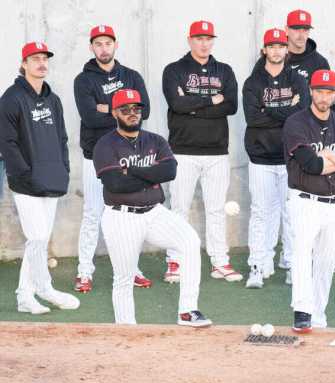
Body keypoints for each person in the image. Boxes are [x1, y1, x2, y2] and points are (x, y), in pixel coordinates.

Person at [93, 89, 210, 327]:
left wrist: (132, 170)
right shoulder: (105, 145)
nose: (132, 113)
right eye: (125, 109)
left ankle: (187, 311)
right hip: (121, 216)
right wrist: (150, 175)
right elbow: (115, 183)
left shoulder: (155, 140)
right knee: (124, 278)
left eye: (136, 108)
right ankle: (126, 328)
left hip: (155, 212)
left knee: (189, 241)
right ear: (114, 113)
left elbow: (169, 172)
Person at [282, 69, 335, 332]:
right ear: (311, 91)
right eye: (319, 90)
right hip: (305, 200)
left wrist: (331, 157)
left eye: (329, 91)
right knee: (301, 254)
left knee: (327, 260)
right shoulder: (296, 123)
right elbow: (312, 165)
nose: (323, 96)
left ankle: (317, 314)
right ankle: (302, 310)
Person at [0, 42, 80, 314]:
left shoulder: (53, 99)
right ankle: (43, 288)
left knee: (40, 238)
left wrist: (64, 169)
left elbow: (62, 138)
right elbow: (7, 144)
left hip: (52, 179)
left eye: (44, 58)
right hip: (26, 183)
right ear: (24, 64)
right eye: (35, 58)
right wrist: (24, 174)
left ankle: (25, 295)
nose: (41, 63)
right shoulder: (11, 98)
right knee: (36, 237)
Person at [73, 25, 152, 293]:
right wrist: (125, 109)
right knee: (93, 213)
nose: (103, 48)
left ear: (115, 45)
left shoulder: (131, 75)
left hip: (128, 156)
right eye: (98, 43)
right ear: (92, 47)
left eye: (108, 43)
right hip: (94, 155)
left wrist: (107, 106)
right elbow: (90, 117)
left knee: (127, 214)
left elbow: (145, 111)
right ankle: (85, 271)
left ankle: (132, 269)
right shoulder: (83, 80)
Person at [162, 20, 240, 283]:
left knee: (216, 209)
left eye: (208, 38)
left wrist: (191, 104)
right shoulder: (174, 70)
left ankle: (220, 261)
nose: (204, 43)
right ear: (190, 40)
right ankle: (175, 261)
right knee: (179, 208)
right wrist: (209, 100)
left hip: (217, 151)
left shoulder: (225, 70)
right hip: (183, 151)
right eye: (199, 38)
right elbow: (176, 103)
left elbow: (230, 106)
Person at [242, 28, 309, 288]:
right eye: (272, 46)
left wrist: (268, 109)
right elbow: (252, 118)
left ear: (286, 50)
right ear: (265, 50)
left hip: (290, 157)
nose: (277, 51)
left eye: (281, 46)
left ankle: (291, 263)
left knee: (291, 213)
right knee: (261, 212)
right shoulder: (253, 82)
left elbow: (301, 115)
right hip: (260, 157)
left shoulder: (297, 79)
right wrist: (286, 109)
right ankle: (258, 264)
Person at [285, 9, 330, 81]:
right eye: (296, 29)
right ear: (286, 30)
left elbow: (324, 91)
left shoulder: (320, 63)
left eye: (305, 30)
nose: (301, 35)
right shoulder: (273, 58)